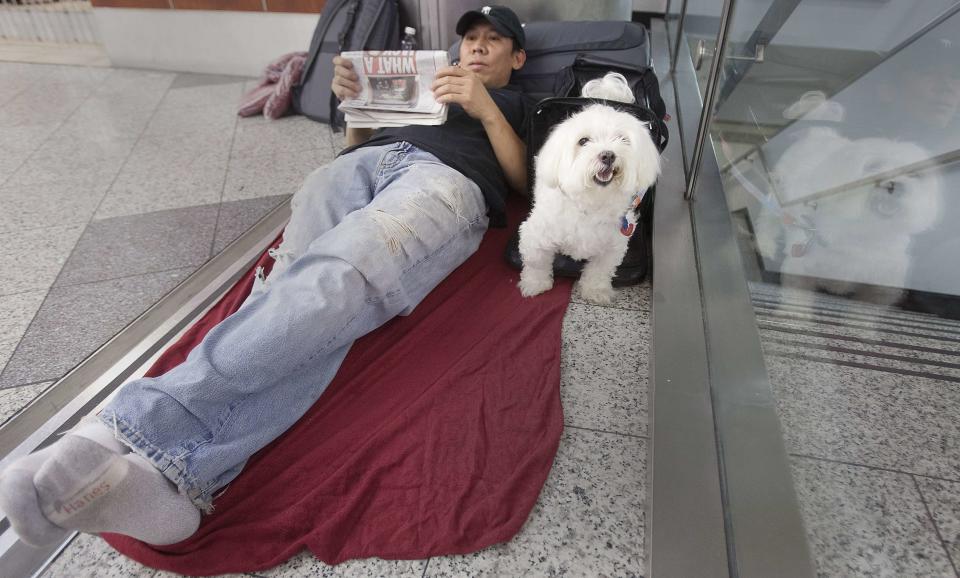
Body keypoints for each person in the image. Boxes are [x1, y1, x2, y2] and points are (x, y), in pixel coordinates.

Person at [0, 5, 533, 548]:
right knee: (287, 288)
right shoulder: (431, 84)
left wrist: (487, 109)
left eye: (494, 40)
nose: (478, 47)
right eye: (470, 38)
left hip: (442, 181)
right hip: (362, 163)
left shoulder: (519, 102)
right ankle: (174, 482)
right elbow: (356, 143)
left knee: (337, 280)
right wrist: (357, 102)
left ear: (517, 57)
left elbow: (522, 182)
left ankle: (114, 429)